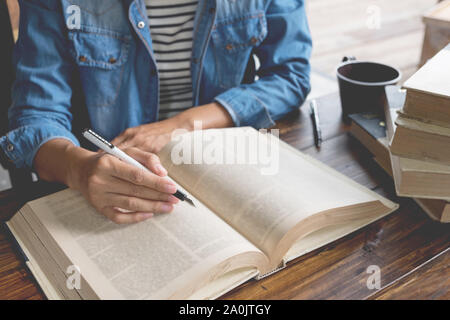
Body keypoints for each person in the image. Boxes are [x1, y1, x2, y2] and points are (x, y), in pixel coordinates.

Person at [0, 0, 312, 224]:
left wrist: (185, 124)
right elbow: (36, 114)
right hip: (111, 179)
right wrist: (78, 168)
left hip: (223, 165)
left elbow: (290, 75)